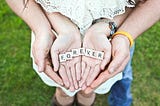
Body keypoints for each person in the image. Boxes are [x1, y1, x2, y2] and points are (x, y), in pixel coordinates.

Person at [6, 0, 160, 106]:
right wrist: (42, 29)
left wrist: (123, 35)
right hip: (54, 30)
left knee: (89, 89)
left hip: (109, 38)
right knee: (64, 89)